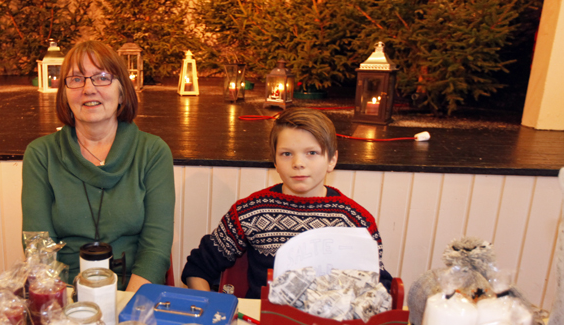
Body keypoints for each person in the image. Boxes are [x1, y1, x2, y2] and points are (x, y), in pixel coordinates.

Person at [181, 108, 390, 299]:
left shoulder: (355, 221)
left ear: (332, 160)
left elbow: (379, 285)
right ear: (275, 161)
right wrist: (210, 306)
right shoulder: (251, 211)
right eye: (286, 154)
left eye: (312, 153)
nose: (298, 163)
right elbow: (198, 268)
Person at [22, 40, 175, 294]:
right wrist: (67, 307)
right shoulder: (41, 154)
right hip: (64, 295)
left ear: (122, 90)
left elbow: (155, 249)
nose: (88, 88)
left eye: (102, 78)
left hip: (133, 292)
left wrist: (125, 305)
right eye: (76, 79)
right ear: (64, 93)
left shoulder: (153, 152)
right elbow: (39, 250)